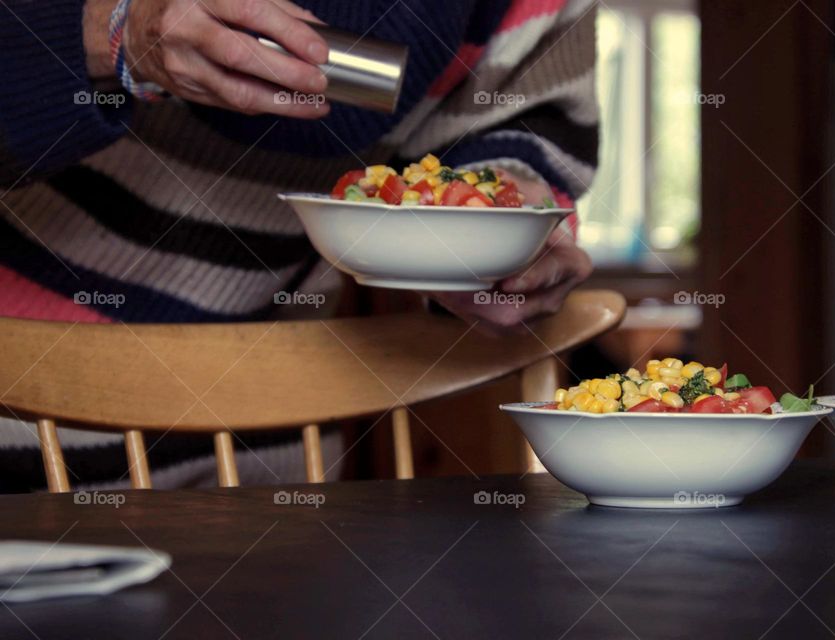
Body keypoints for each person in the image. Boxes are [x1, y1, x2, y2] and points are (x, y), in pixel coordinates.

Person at [0, 0, 598, 491]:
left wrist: (503, 229)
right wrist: (111, 29)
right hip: (21, 408)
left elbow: (524, 114)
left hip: (278, 422)